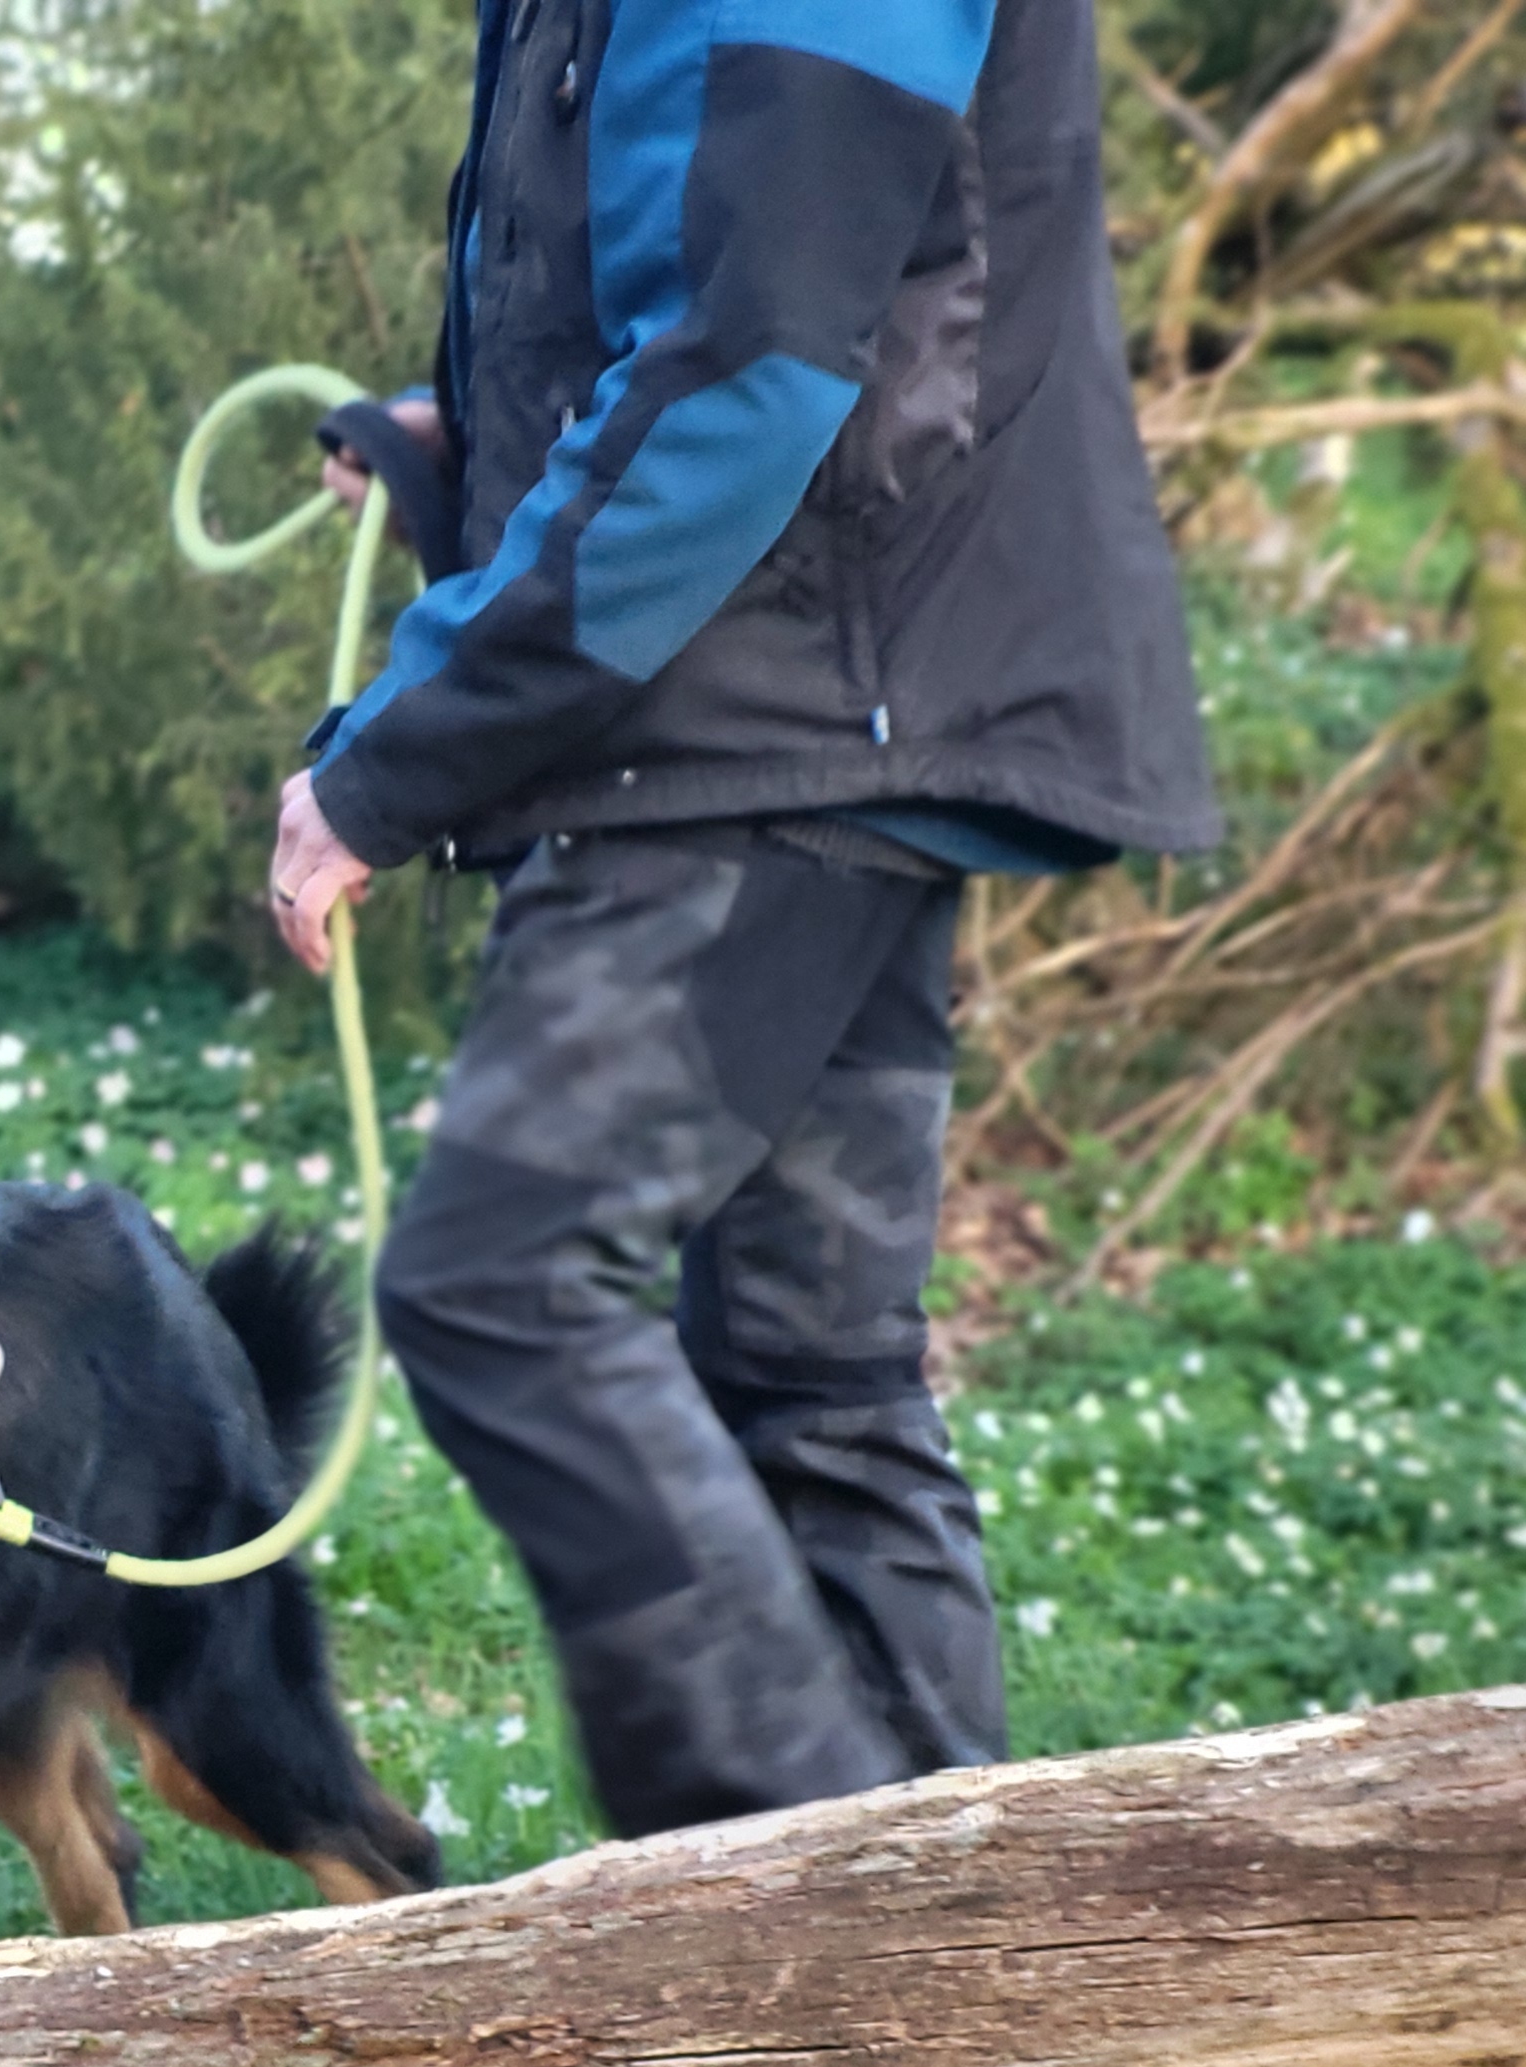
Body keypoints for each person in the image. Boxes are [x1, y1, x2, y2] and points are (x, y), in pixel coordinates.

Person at [268, 0, 1220, 1838]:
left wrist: (390, 761)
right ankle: (962, 1986)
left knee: (507, 1284)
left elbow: (749, 377)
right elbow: (718, 293)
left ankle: (826, 1957)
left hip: (768, 727)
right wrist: (450, 448)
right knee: (815, 1375)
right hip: (820, 713)